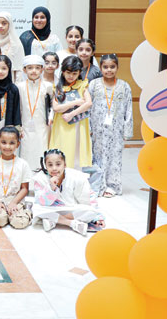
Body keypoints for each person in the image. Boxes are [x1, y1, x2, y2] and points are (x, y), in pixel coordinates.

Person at [88, 54, 133, 197]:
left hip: (116, 129)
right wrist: (88, 127)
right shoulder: (94, 85)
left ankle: (112, 186)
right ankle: (97, 184)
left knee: (114, 156)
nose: (109, 70)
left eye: (112, 67)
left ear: (117, 67)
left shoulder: (124, 86)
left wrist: (127, 130)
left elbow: (129, 109)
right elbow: (87, 107)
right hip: (97, 129)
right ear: (100, 68)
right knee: (98, 156)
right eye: (105, 67)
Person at [32, 149, 105, 236]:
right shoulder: (40, 179)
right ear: (46, 166)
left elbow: (89, 196)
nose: (54, 168)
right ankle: (72, 223)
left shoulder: (75, 176)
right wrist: (51, 187)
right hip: (50, 209)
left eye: (58, 164)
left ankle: (54, 220)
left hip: (70, 209)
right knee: (36, 208)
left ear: (65, 165)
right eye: (50, 165)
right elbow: (41, 202)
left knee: (91, 211)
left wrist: (98, 217)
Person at [0, 126, 32, 229]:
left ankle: (27, 211)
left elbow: (25, 188)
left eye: (12, 143)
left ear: (18, 144)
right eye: (4, 142)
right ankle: (4, 215)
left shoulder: (23, 164)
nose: (7, 146)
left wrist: (14, 202)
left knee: (19, 223)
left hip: (15, 200)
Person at [50, 56, 92, 169]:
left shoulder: (82, 85)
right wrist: (75, 102)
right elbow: (56, 108)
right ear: (63, 71)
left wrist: (71, 114)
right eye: (68, 73)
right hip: (61, 124)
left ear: (79, 73)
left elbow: (88, 103)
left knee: (77, 151)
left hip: (78, 124)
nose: (71, 76)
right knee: (62, 148)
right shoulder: (58, 87)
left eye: (74, 73)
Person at [16, 55, 54, 170]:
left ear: (42, 69)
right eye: (30, 68)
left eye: (37, 68)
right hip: (25, 124)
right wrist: (19, 126)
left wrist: (51, 116)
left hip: (43, 125)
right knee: (26, 150)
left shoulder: (48, 86)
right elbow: (18, 108)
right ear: (24, 70)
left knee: (42, 148)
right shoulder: (20, 87)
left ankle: (42, 174)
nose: (34, 71)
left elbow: (53, 104)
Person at [0, 12, 25, 80]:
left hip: (10, 81)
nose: (0, 26)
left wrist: (17, 84)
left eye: (4, 23)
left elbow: (19, 68)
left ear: (9, 25)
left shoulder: (16, 44)